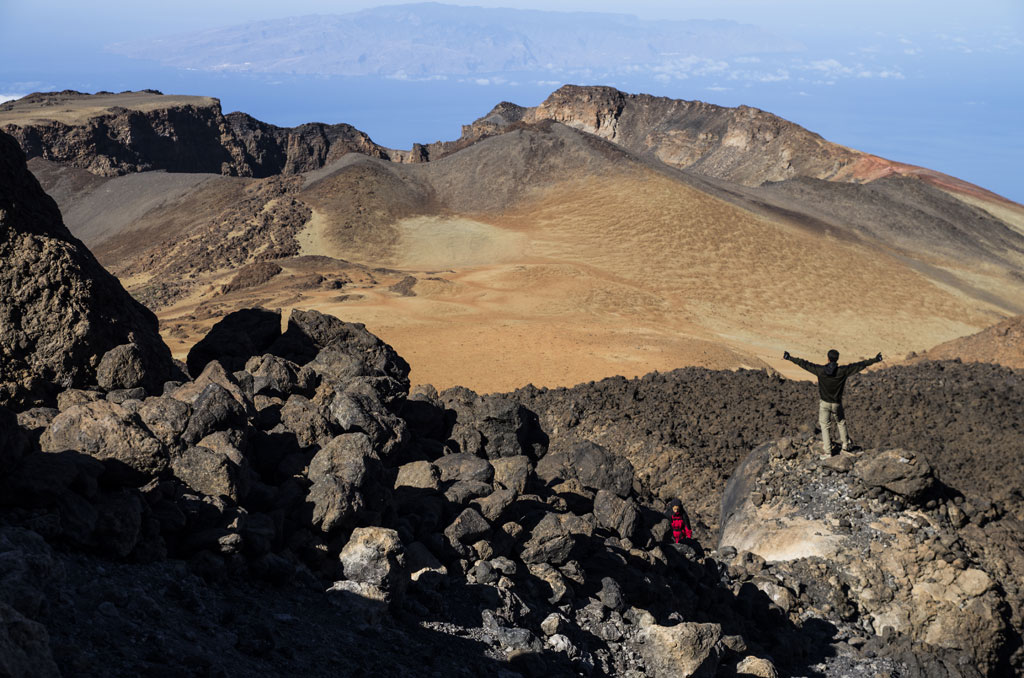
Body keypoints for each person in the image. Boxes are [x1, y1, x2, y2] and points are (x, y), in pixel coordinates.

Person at [783, 348, 883, 458]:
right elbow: (860, 365)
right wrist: (875, 359)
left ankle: (828, 452)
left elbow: (805, 364)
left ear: (828, 358)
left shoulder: (820, 370)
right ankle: (846, 444)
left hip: (824, 403)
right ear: (837, 359)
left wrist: (789, 358)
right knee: (841, 422)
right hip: (836, 403)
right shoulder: (843, 371)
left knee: (825, 426)